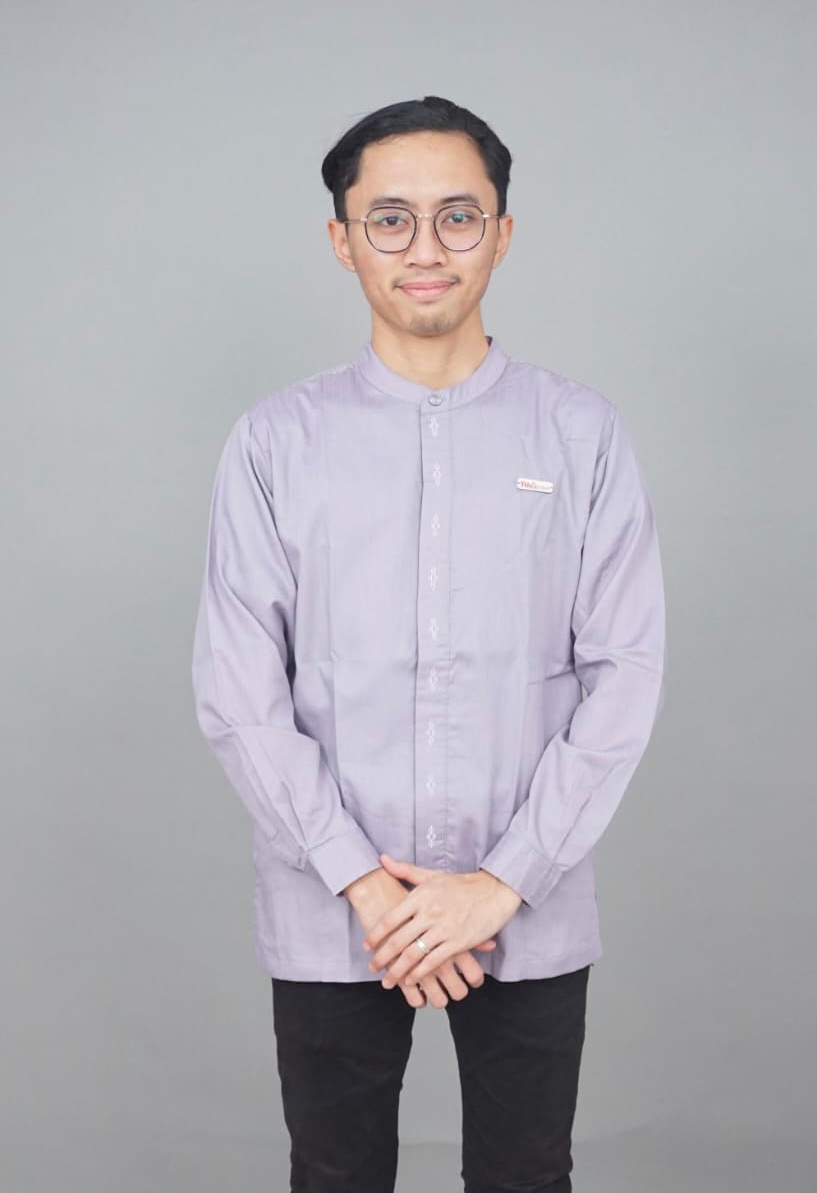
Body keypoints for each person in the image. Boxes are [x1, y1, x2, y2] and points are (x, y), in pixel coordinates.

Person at [191, 94, 667, 1193]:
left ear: (502, 233)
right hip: (332, 907)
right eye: (390, 219)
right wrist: (365, 884)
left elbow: (625, 674)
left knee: (526, 1176)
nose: (424, 248)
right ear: (342, 239)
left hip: (526, 903)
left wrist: (499, 882)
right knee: (334, 1175)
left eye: (458, 216)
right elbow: (240, 690)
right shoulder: (275, 443)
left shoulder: (581, 434)